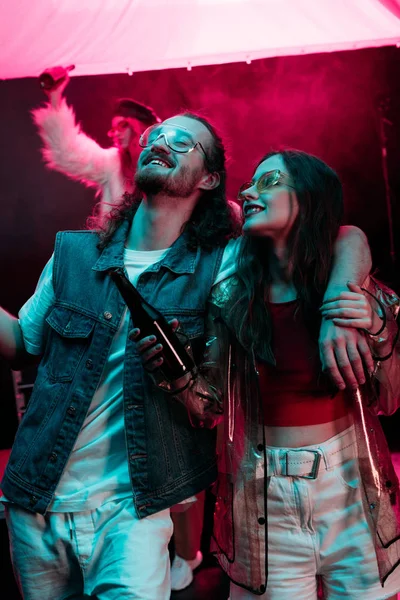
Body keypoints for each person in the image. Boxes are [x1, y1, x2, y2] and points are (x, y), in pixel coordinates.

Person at [0, 115, 372, 600]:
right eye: (155, 137)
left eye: (182, 142)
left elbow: (340, 234)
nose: (160, 142)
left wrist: (344, 294)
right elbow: (19, 346)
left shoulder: (223, 262)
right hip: (35, 495)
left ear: (209, 178)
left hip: (135, 507)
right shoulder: (73, 252)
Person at [135, 149, 400, 599]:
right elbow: (210, 407)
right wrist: (174, 372)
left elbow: (391, 399)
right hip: (263, 494)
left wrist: (377, 327)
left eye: (270, 182)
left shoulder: (353, 288)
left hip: (352, 491)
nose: (248, 191)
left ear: (310, 198)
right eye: (250, 183)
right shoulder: (230, 293)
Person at [32, 72, 161, 220]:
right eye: (113, 129)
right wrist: (55, 97)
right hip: (120, 242)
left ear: (138, 126)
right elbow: (70, 152)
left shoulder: (164, 159)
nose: (117, 133)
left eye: (122, 126)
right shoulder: (113, 163)